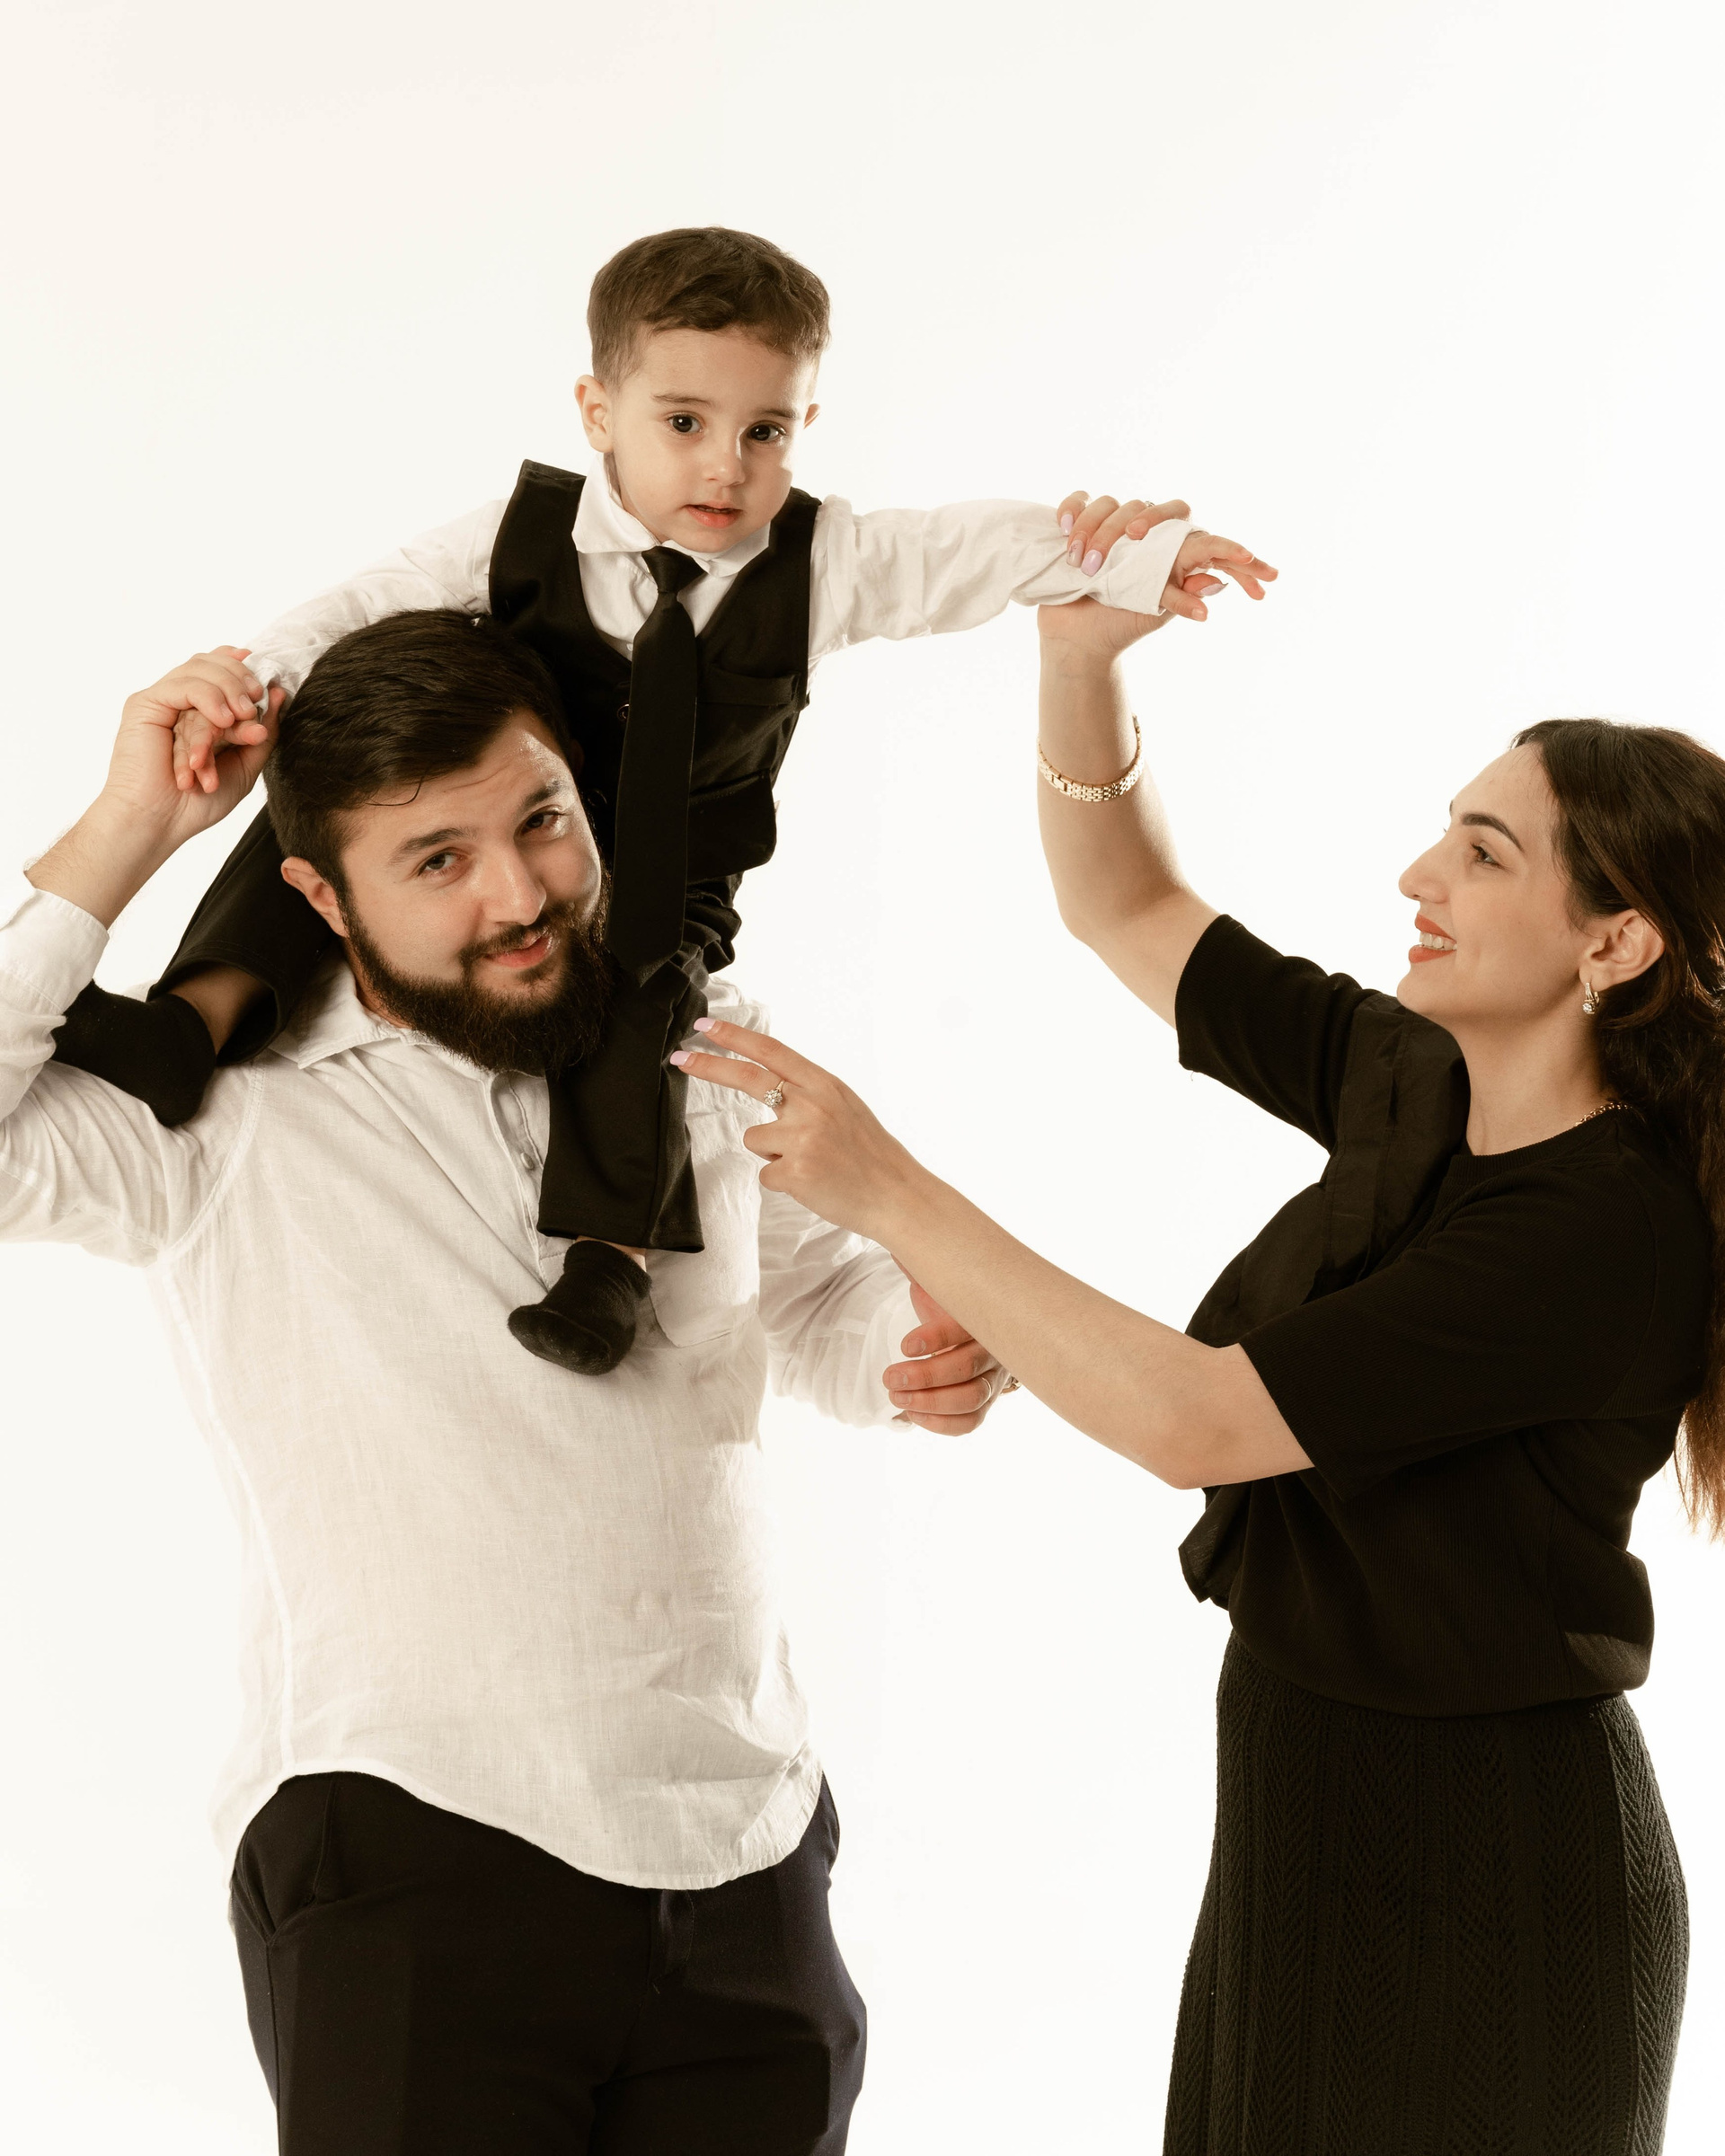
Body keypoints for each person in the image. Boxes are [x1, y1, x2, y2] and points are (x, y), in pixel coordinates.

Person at [677, 588, 1723, 2152]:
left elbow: (1198, 1422)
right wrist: (1079, 658)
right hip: (1310, 1818)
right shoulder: (1416, 1078)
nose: (1419, 876)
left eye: (1485, 854)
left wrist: (889, 1191)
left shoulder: (1602, 1230)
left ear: (1616, 942)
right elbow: (1126, 902)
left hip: (1494, 1868)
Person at [4, 609, 1013, 2154]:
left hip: (745, 1850)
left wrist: (923, 1349)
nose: (522, 894)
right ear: (320, 895)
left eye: (542, 821)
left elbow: (809, 1301)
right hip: (415, 1843)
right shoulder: (219, 1116)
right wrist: (127, 826)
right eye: (439, 860)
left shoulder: (702, 1038)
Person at [48, 223, 1269, 1376]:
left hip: (671, 870)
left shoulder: (824, 558)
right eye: (684, 422)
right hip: (533, 836)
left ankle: (609, 1259)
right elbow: (362, 604)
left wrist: (1140, 556)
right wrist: (249, 683)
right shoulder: (518, 537)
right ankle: (195, 1021)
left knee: (647, 1012)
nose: (726, 467)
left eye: (765, 431)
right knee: (307, 819)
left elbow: (965, 551)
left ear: (805, 427)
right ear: (599, 412)